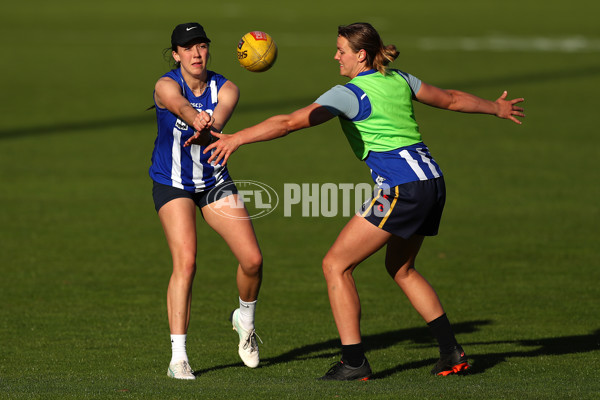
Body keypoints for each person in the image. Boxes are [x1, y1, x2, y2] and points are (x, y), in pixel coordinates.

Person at [192, 22, 525, 380]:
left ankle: (353, 362)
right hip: (432, 183)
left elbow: (289, 122)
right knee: (401, 268)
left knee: (336, 265)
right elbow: (452, 99)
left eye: (342, 50)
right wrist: (496, 108)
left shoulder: (350, 93)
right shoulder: (399, 79)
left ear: (360, 55)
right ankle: (450, 351)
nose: (336, 55)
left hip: (401, 190)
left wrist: (237, 139)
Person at [149, 22, 264, 380]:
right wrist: (193, 116)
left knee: (253, 260)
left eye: (201, 46)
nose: (196, 53)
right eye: (187, 48)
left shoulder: (226, 87)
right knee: (186, 262)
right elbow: (178, 104)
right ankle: (178, 358)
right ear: (176, 54)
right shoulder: (166, 85)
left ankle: (244, 323)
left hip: (213, 180)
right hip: (173, 183)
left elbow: (222, 115)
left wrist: (210, 120)